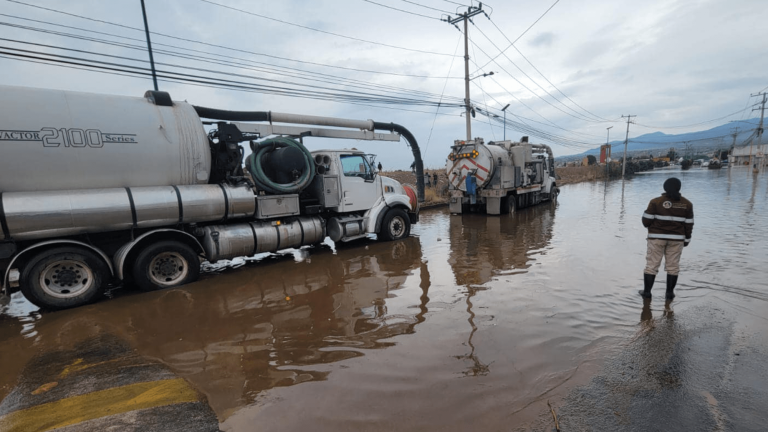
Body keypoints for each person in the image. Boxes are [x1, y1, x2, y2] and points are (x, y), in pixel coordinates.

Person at [640, 177, 693, 299]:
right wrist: (686, 240)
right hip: (677, 240)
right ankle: (669, 293)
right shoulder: (687, 204)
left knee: (651, 265)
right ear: (679, 188)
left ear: (665, 187)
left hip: (656, 239)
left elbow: (646, 222)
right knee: (673, 267)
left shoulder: (655, 202)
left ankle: (647, 293)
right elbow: (689, 225)